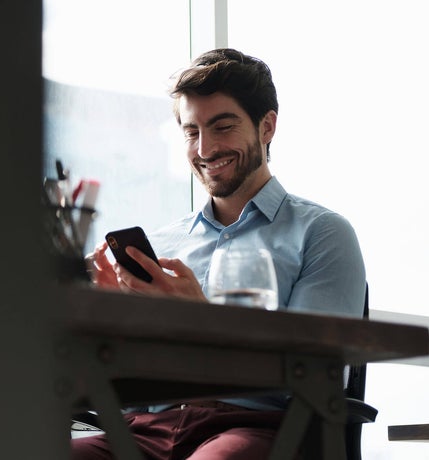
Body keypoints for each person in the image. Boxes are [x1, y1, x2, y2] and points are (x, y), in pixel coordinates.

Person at [72, 48, 366, 460]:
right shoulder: (163, 246)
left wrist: (205, 319)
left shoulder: (322, 234)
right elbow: (129, 394)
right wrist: (108, 323)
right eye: (192, 132)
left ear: (267, 127)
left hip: (250, 430)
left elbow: (317, 374)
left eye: (222, 127)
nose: (205, 148)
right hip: (145, 431)